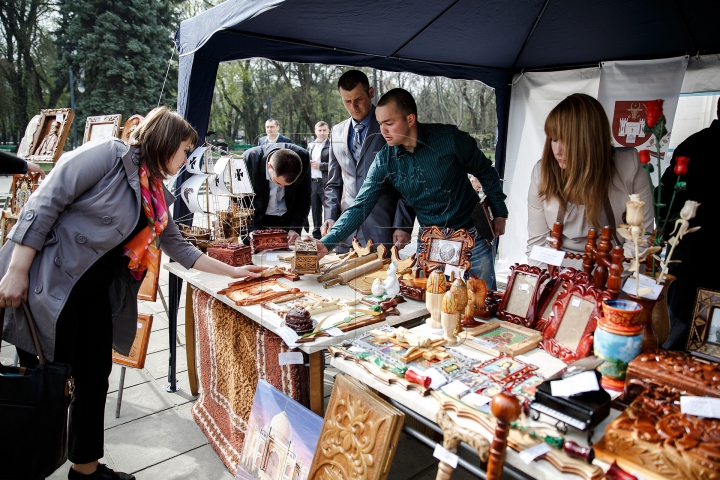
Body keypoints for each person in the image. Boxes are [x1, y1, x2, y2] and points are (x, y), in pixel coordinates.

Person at [0, 107, 265, 480]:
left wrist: (235, 271)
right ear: (167, 141)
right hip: (53, 288)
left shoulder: (155, 190)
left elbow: (181, 248)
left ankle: (86, 470)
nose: (187, 158)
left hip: (94, 297)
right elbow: (45, 202)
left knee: (94, 379)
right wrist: (16, 270)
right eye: (186, 149)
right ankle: (25, 466)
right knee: (46, 385)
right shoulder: (109, 155)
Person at [317, 88, 507, 289]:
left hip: (471, 235)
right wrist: (326, 243)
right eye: (381, 124)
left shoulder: (450, 139)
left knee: (483, 301)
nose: (383, 131)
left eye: (389, 123)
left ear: (410, 119)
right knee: (431, 301)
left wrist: (499, 211)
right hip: (430, 242)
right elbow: (360, 206)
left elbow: (486, 171)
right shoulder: (385, 159)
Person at [526, 93, 654, 267]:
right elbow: (538, 243)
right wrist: (545, 285)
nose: (557, 150)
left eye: (567, 141)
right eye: (554, 139)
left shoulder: (630, 170)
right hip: (557, 270)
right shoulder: (542, 173)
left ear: (590, 141)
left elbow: (638, 241)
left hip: (612, 269)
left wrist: (605, 284)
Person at [322, 70, 414, 253]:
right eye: (347, 101)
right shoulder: (337, 132)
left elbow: (407, 181)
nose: (353, 107)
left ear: (371, 92)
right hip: (344, 231)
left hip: (382, 229)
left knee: (382, 282)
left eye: (358, 99)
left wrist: (403, 224)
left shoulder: (391, 128)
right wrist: (330, 216)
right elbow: (333, 183)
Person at [658, 98, 720, 350]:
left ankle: (669, 382)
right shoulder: (695, 145)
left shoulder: (694, 144)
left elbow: (664, 200)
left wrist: (668, 241)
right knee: (708, 343)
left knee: (678, 333)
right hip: (692, 257)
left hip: (687, 256)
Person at [237, 143, 311, 245]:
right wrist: (250, 230)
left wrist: (295, 229)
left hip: (288, 220)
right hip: (256, 219)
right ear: (269, 166)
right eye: (278, 182)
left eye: (288, 185)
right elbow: (239, 202)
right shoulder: (248, 160)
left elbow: (304, 199)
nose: (282, 187)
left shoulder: (303, 158)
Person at [308, 121, 330, 239]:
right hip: (313, 183)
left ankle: (328, 235)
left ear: (328, 131)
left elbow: (336, 164)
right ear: (315, 131)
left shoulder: (332, 145)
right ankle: (317, 236)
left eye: (324, 130)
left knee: (328, 211)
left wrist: (321, 165)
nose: (322, 133)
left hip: (326, 183)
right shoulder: (311, 145)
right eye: (319, 130)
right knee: (315, 212)